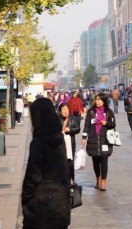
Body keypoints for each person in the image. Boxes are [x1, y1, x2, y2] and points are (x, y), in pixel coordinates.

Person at [21, 98, 70, 228]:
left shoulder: (38, 143)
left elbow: (33, 177)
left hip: (41, 203)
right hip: (60, 201)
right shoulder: (60, 139)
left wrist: (26, 197)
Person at [82, 93, 116, 191]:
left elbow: (113, 124)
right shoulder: (91, 112)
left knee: (104, 161)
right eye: (96, 100)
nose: (97, 101)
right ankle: (98, 178)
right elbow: (87, 125)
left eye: (99, 100)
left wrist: (107, 123)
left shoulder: (109, 112)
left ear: (104, 101)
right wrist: (84, 137)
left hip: (105, 140)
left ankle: (104, 181)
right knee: (95, 162)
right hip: (93, 140)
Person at [58, 103, 80, 181]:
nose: (65, 111)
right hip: (59, 145)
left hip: (71, 145)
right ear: (60, 111)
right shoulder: (56, 119)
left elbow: (78, 129)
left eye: (67, 109)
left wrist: (70, 130)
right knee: (60, 163)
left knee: (70, 163)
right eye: (63, 109)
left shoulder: (72, 118)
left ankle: (71, 180)